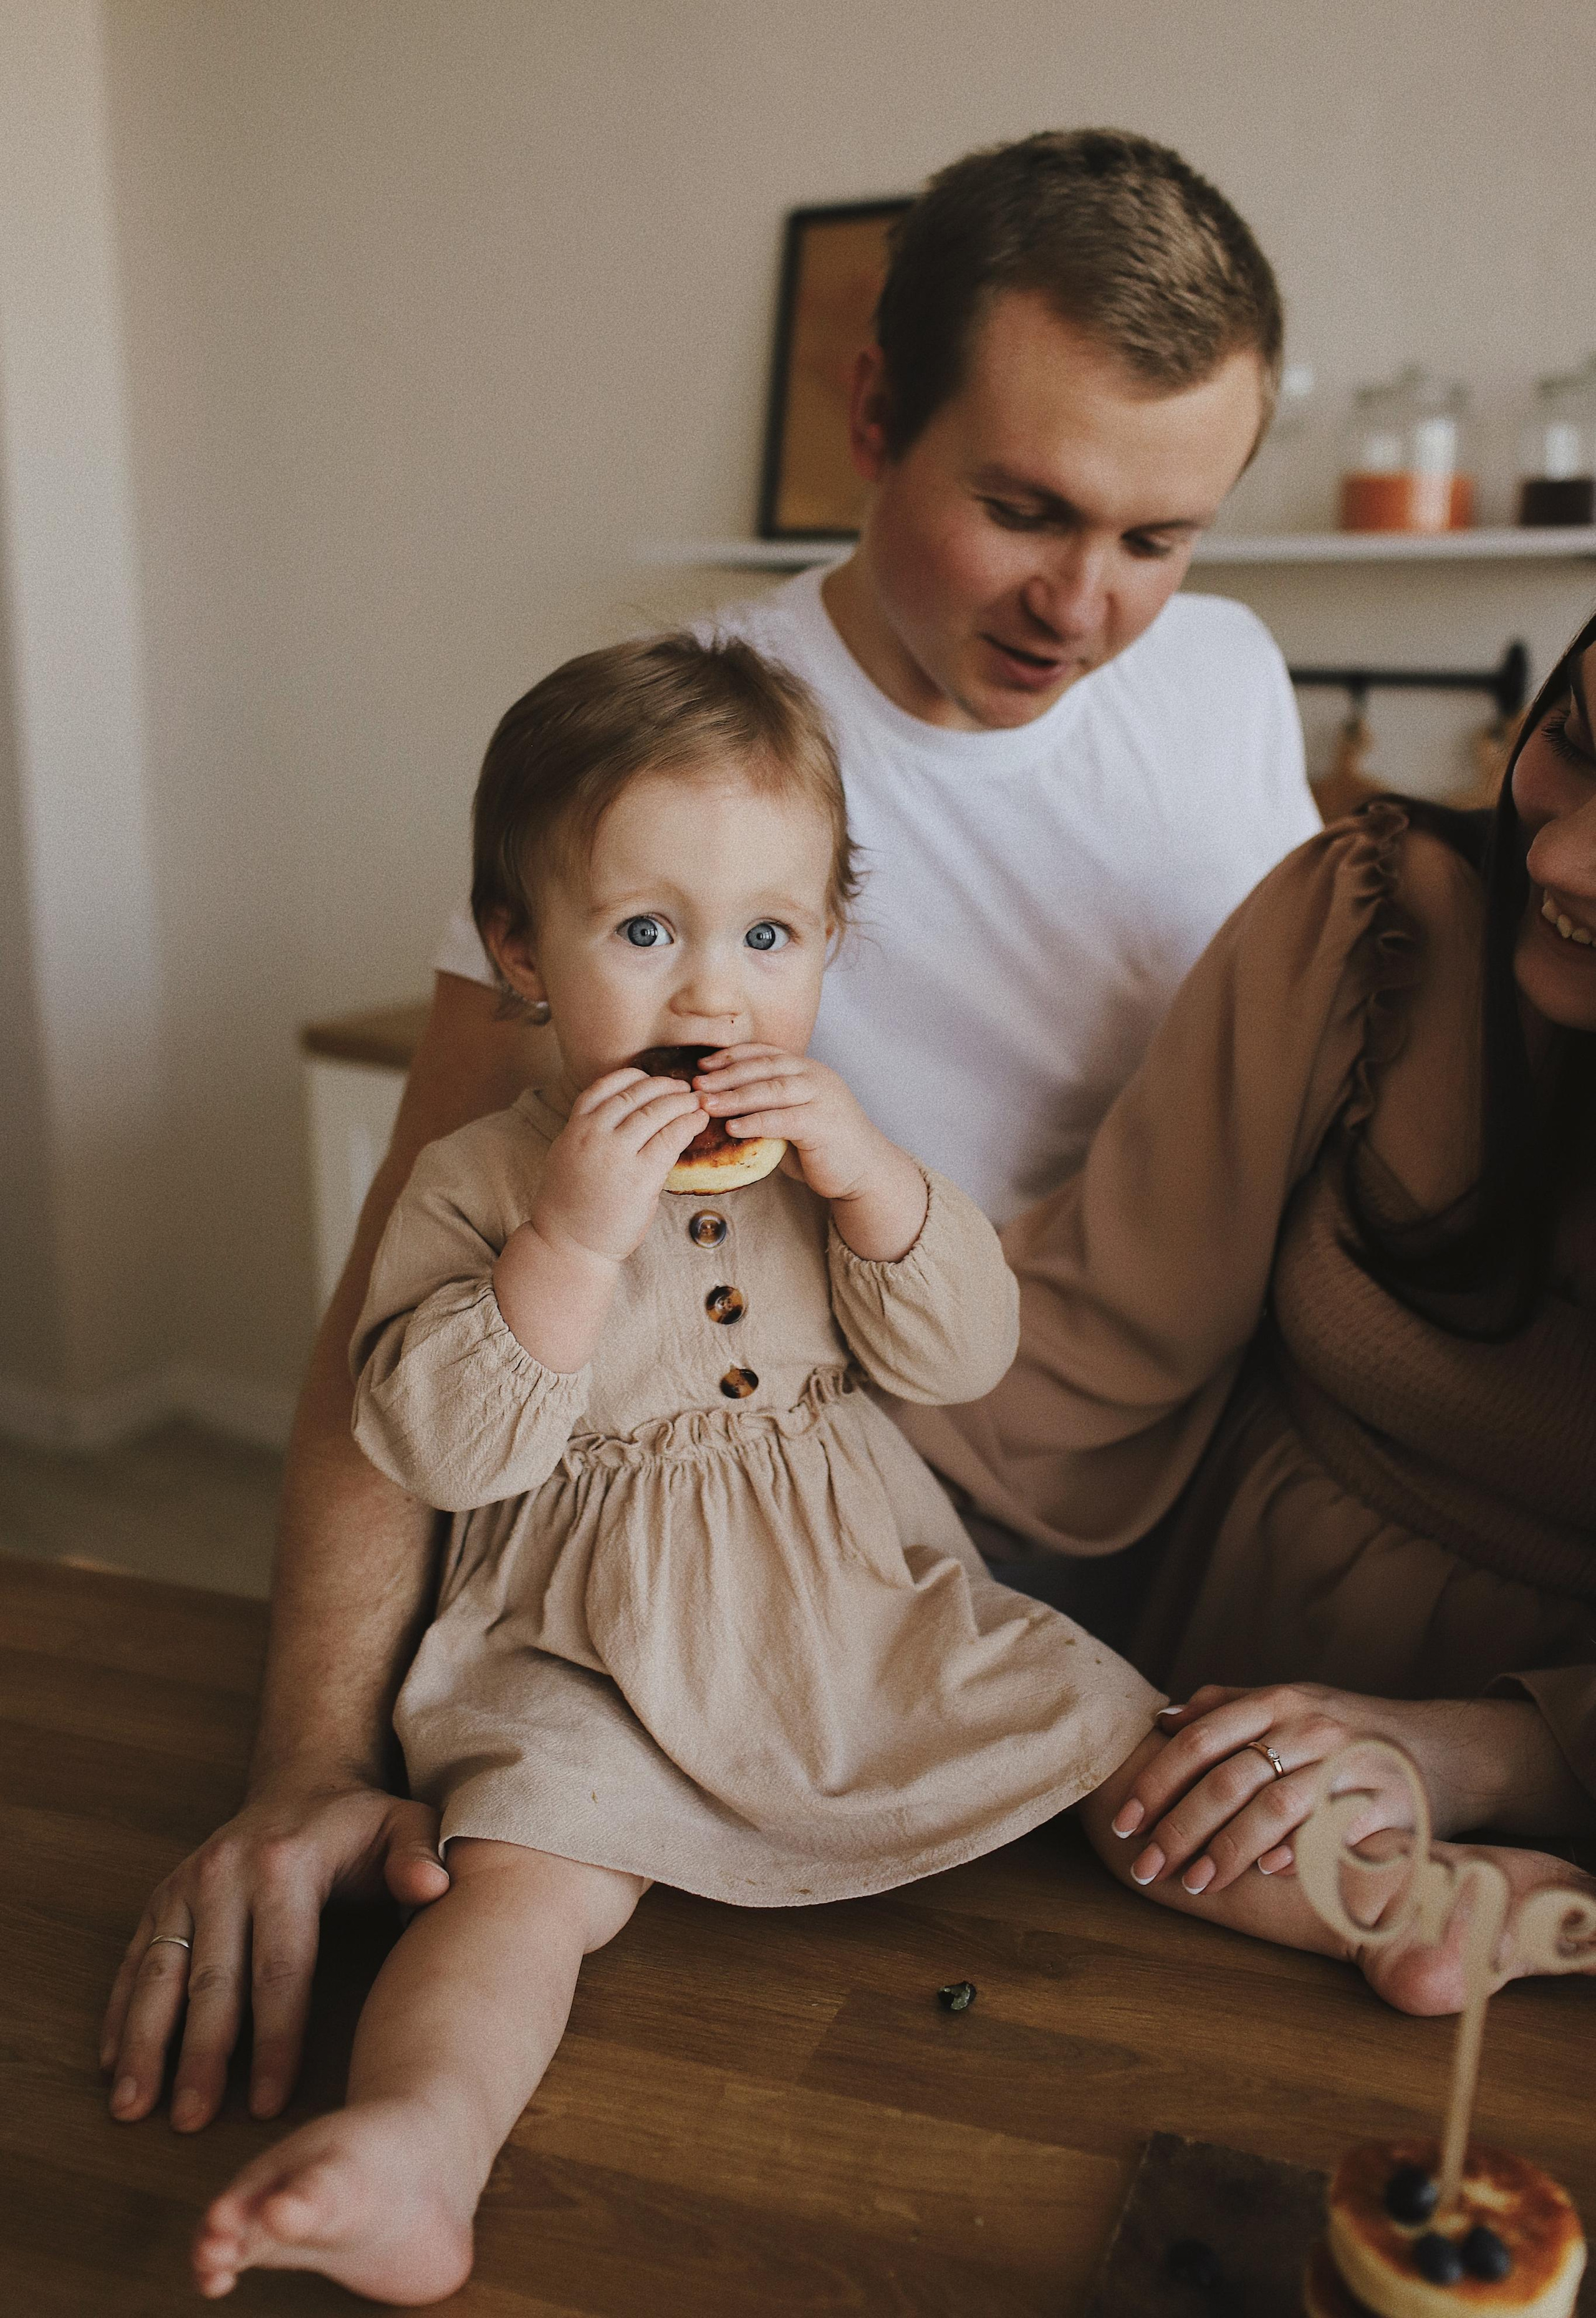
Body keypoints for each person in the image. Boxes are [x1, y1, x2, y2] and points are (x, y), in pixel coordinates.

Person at [103, 128, 1320, 2133]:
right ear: (870, 411)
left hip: (1074, 1554)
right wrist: (310, 1763)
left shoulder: (1229, 681)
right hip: (724, 1559)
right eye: (1024, 509)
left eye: (1164, 537)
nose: (1089, 607)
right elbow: (395, 1308)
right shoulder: (672, 775)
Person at [188, 635, 1166, 2301]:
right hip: (584, 1641)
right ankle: (418, 2146)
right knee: (513, 1885)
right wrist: (568, 1243)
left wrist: (873, 1185)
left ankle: (1395, 1897)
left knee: (1112, 1723)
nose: (714, 995)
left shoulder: (835, 1151)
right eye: (647, 933)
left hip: (856, 1607)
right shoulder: (482, 1179)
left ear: (830, 946)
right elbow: (436, 1444)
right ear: (522, 951)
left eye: (769, 937)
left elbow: (960, 1354)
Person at [899, 617, 1596, 1963]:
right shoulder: (1378, 920)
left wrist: (1489, 1756)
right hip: (1212, 1734)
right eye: (1570, 741)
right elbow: (1075, 1355)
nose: (1558, 856)